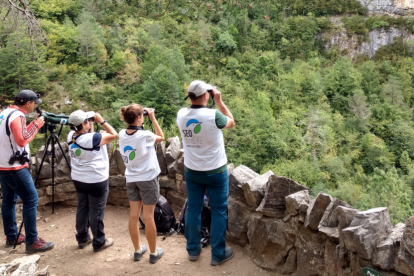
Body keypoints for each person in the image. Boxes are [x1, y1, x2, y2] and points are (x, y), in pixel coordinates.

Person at [176, 80, 235, 266]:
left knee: (194, 208)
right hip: (215, 171)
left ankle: (193, 249)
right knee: (219, 210)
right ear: (205, 95)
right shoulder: (214, 115)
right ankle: (218, 254)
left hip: (192, 170)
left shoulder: (181, 114)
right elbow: (231, 122)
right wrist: (219, 100)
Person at [0, 90, 54, 253]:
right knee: (31, 199)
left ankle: (12, 237)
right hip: (14, 167)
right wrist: (38, 124)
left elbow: (17, 134)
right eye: (34, 104)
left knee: (9, 201)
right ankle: (32, 241)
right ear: (28, 103)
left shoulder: (5, 113)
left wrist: (35, 123)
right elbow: (22, 139)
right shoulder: (18, 116)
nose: (34, 107)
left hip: (3, 164)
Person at [119, 104, 165, 264]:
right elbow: (161, 136)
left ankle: (138, 250)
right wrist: (152, 117)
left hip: (131, 178)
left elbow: (136, 132)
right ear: (139, 117)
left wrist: (141, 121)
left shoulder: (121, 134)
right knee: (149, 216)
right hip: (147, 179)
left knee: (133, 215)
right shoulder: (145, 136)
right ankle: (153, 253)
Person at [67, 110, 117, 252]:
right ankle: (99, 241)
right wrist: (101, 120)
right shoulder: (93, 138)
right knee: (96, 211)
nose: (90, 122)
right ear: (83, 123)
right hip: (96, 180)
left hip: (78, 178)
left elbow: (87, 134)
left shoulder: (71, 135)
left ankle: (82, 238)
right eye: (88, 121)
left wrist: (90, 124)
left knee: (82, 207)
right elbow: (114, 134)